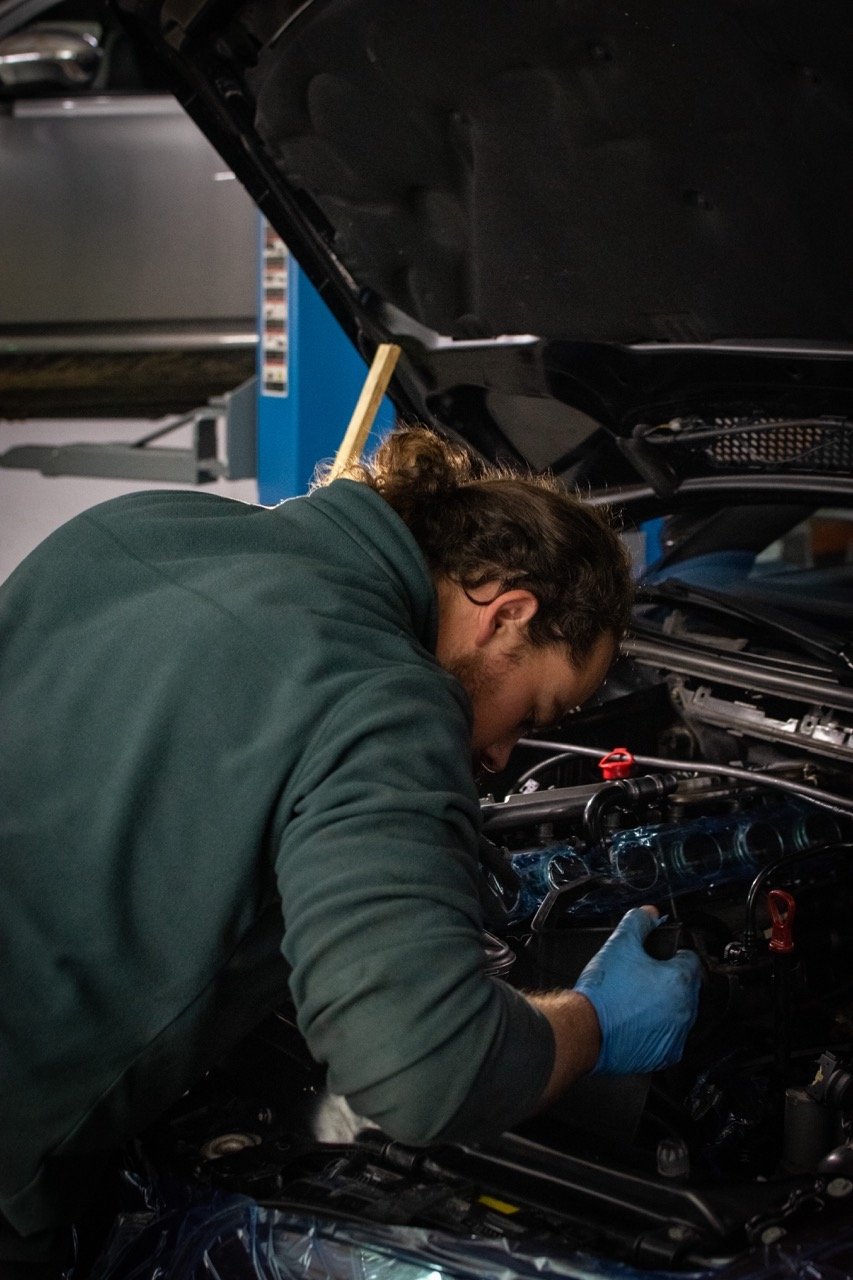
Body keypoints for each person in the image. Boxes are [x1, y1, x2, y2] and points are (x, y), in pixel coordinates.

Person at [0, 425, 701, 1276]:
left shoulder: (139, 527)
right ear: (507, 613)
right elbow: (425, 1072)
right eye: (534, 716)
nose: (503, 759)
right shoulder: (382, 703)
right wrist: (596, 1025)